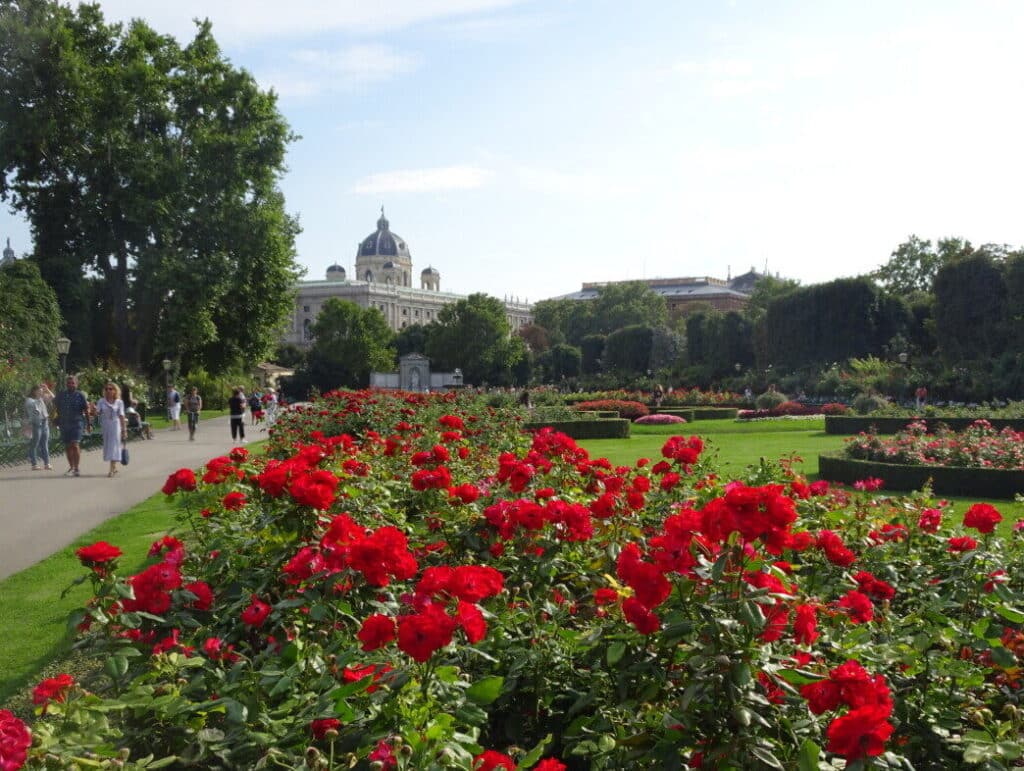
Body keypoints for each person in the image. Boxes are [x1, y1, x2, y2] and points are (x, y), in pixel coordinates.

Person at [54, 375, 90, 476]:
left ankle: (77, 468)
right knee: (68, 446)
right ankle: (71, 467)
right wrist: (55, 419)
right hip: (64, 423)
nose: (70, 385)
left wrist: (88, 424)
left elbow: (86, 410)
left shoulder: (80, 395)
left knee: (75, 444)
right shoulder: (61, 395)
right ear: (66, 384)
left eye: (73, 383)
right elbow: (56, 407)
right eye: (69, 383)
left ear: (77, 384)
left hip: (77, 422)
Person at [97, 382, 127, 478]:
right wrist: (93, 410)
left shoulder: (119, 402)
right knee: (108, 446)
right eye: (106, 389)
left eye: (111, 389)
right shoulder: (101, 401)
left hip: (115, 425)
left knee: (113, 445)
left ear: (115, 391)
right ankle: (114, 466)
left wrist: (124, 430)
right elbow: (97, 412)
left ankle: (111, 469)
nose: (108, 391)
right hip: (106, 425)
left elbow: (122, 416)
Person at [24, 384, 53, 470]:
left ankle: (47, 464)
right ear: (34, 391)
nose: (41, 392)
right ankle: (34, 464)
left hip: (45, 423)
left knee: (44, 444)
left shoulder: (40, 399)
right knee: (35, 444)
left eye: (41, 391)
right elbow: (33, 405)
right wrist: (40, 397)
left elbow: (52, 397)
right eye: (39, 391)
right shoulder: (29, 400)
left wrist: (47, 389)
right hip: (36, 424)